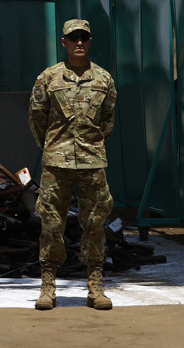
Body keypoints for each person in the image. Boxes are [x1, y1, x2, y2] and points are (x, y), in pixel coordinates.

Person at [28, 19, 117, 311]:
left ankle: (95, 287)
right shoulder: (48, 78)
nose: (79, 42)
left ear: (90, 41)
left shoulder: (104, 79)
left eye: (84, 37)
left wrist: (90, 144)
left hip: (92, 161)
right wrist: (53, 147)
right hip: (56, 162)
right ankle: (48, 287)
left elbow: (107, 120)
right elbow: (37, 117)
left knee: (94, 224)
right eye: (73, 37)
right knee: (52, 224)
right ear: (64, 42)